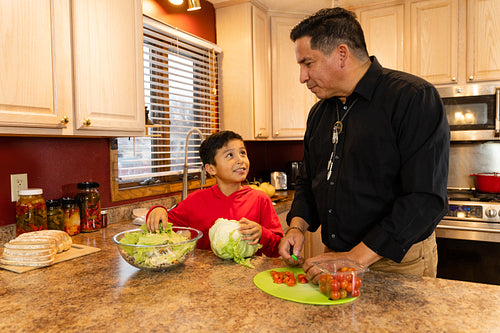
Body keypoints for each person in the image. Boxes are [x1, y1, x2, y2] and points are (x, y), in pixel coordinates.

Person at [278, 8, 450, 281]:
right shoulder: (319, 113)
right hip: (333, 257)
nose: (302, 77)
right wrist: (296, 228)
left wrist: (356, 257)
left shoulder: (413, 98)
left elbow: (424, 199)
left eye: (308, 63)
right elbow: (309, 181)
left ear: (342, 54)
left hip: (397, 263)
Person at [146, 130, 283, 258]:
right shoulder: (196, 200)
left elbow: (278, 249)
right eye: (230, 155)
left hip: (247, 277)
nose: (240, 160)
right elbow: (164, 222)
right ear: (211, 168)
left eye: (243, 153)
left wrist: (262, 234)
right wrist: (158, 209)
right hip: (205, 278)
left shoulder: (259, 199)